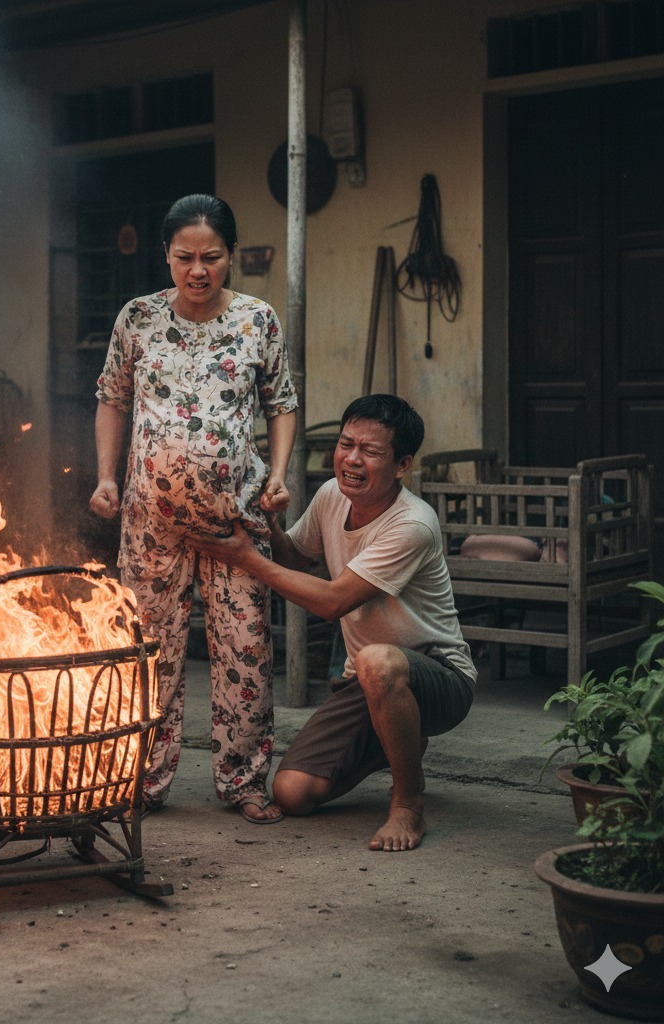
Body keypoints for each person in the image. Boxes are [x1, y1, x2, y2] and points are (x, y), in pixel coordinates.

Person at [89, 193, 298, 823]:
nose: (198, 270)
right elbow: (112, 399)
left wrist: (280, 475)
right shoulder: (138, 319)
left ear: (231, 256)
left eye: (211, 257)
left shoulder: (258, 321)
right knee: (148, 649)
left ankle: (243, 781)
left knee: (244, 649)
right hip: (151, 523)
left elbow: (281, 403)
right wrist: (105, 477)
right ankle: (141, 781)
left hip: (235, 519)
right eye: (185, 258)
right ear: (167, 256)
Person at [192, 394, 476, 850]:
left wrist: (247, 559)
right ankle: (397, 738)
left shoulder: (413, 524)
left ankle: (408, 802)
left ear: (401, 464)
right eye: (346, 445)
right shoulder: (330, 496)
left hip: (439, 674)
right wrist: (268, 520)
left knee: (378, 661)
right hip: (365, 681)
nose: (352, 459)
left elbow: (332, 602)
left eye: (371, 451)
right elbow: (294, 558)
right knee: (293, 794)